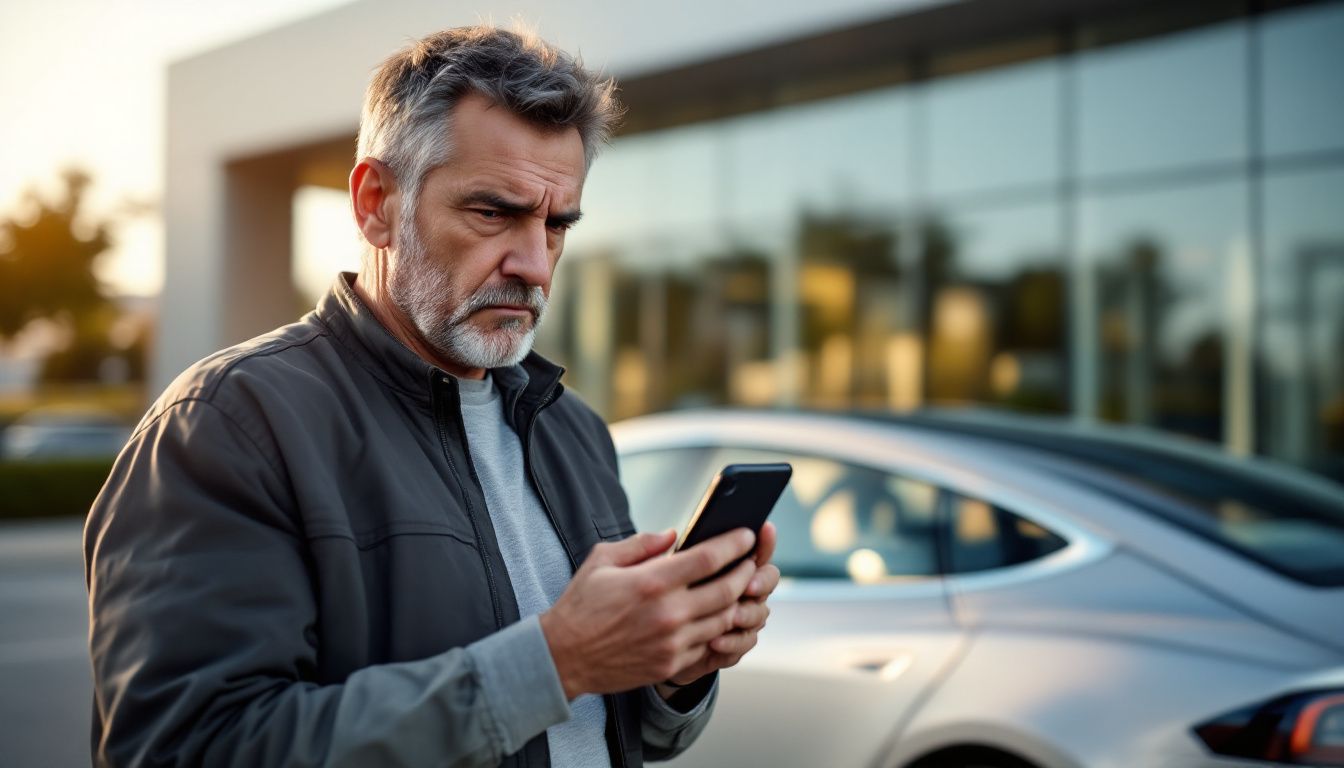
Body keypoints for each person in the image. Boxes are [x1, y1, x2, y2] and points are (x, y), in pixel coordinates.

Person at [84, 25, 779, 768]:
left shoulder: (574, 432)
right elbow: (182, 750)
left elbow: (615, 733)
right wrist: (554, 660)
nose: (536, 266)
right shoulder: (227, 425)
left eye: (557, 224)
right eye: (493, 213)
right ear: (375, 202)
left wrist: (679, 671)